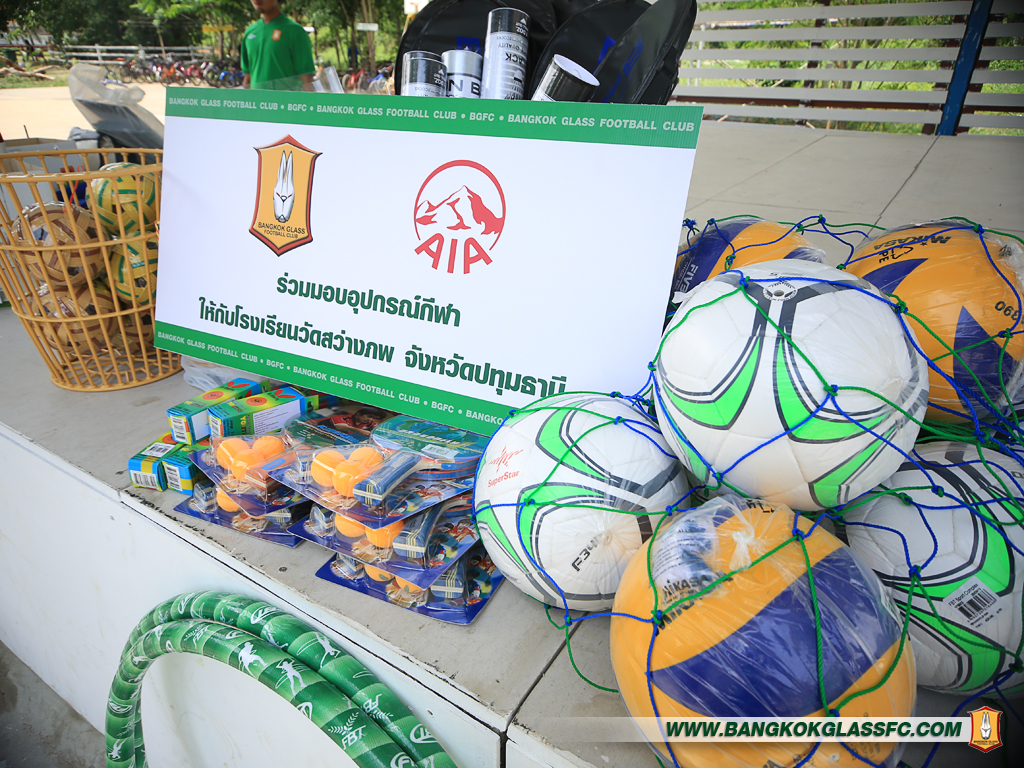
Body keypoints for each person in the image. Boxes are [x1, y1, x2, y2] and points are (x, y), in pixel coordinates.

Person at [241, 0, 315, 92]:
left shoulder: (295, 31)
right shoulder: (249, 32)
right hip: (258, 99)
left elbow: (306, 79)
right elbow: (247, 78)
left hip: (287, 100)